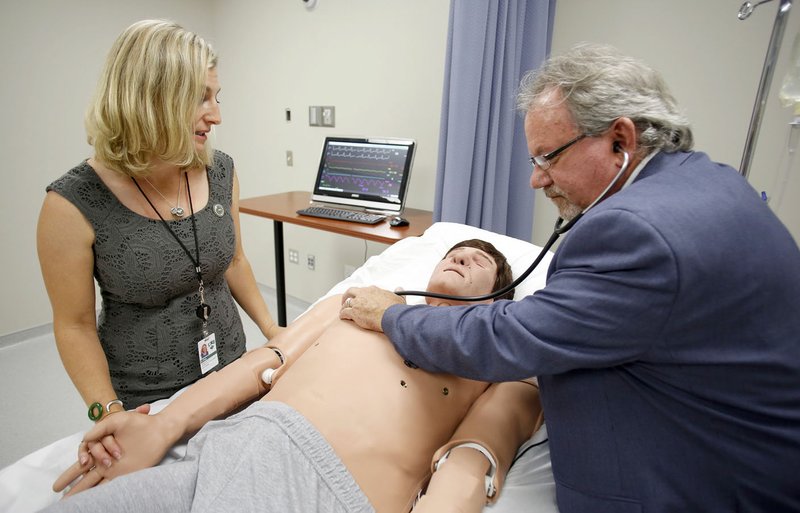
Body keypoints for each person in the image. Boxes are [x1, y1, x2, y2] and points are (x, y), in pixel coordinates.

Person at [341, 43, 800, 512]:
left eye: (548, 157)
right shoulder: (708, 180)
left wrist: (395, 316)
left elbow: (510, 340)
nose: (536, 181)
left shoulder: (635, 232)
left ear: (620, 139)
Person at [46, 240, 542, 513]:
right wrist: (163, 425)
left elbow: (469, 463)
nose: (460, 257)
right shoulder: (355, 303)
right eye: (454, 252)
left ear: (499, 303)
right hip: (224, 449)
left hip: (324, 488)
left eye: (480, 261)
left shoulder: (500, 372)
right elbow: (264, 363)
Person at [36, 20, 281, 417]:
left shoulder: (220, 171)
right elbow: (74, 325)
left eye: (217, 97)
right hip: (145, 402)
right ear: (150, 99)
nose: (216, 116)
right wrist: (108, 412)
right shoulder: (71, 204)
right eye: (201, 99)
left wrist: (273, 332)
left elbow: (235, 261)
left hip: (233, 371)